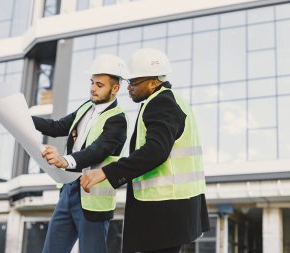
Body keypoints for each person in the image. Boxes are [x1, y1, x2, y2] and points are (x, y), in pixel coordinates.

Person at [80, 48, 210, 253]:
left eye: (134, 83)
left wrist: (106, 171)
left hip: (163, 208)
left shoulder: (161, 103)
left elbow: (155, 151)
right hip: (176, 206)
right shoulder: (175, 101)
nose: (128, 88)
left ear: (153, 82)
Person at [32, 54, 128, 253]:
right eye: (92, 82)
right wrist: (22, 118)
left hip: (93, 197)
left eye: (99, 85)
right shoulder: (85, 107)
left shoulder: (118, 120)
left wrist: (64, 161)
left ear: (115, 89)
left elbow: (97, 151)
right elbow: (56, 127)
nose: (93, 88)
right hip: (69, 190)